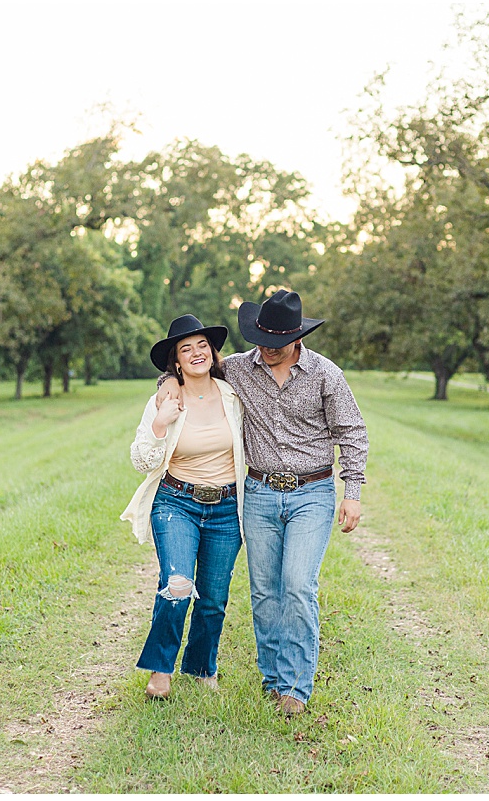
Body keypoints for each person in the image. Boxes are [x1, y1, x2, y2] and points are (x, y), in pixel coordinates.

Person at [157, 289, 368, 717]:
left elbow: (353, 432)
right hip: (258, 493)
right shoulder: (237, 368)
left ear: (297, 337)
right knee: (265, 591)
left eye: (276, 342)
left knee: (298, 585)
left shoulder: (326, 374)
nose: (267, 350)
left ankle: (295, 686)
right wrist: (166, 388)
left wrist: (354, 493)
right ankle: (272, 679)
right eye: (261, 340)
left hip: (312, 492)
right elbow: (187, 370)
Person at [120, 314, 246, 701]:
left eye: (202, 346)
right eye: (186, 349)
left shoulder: (233, 394)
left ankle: (202, 666)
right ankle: (161, 671)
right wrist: (160, 423)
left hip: (226, 507)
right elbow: (141, 459)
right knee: (176, 585)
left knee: (213, 597)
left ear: (213, 352)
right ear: (175, 362)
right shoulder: (166, 400)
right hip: (176, 502)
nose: (196, 353)